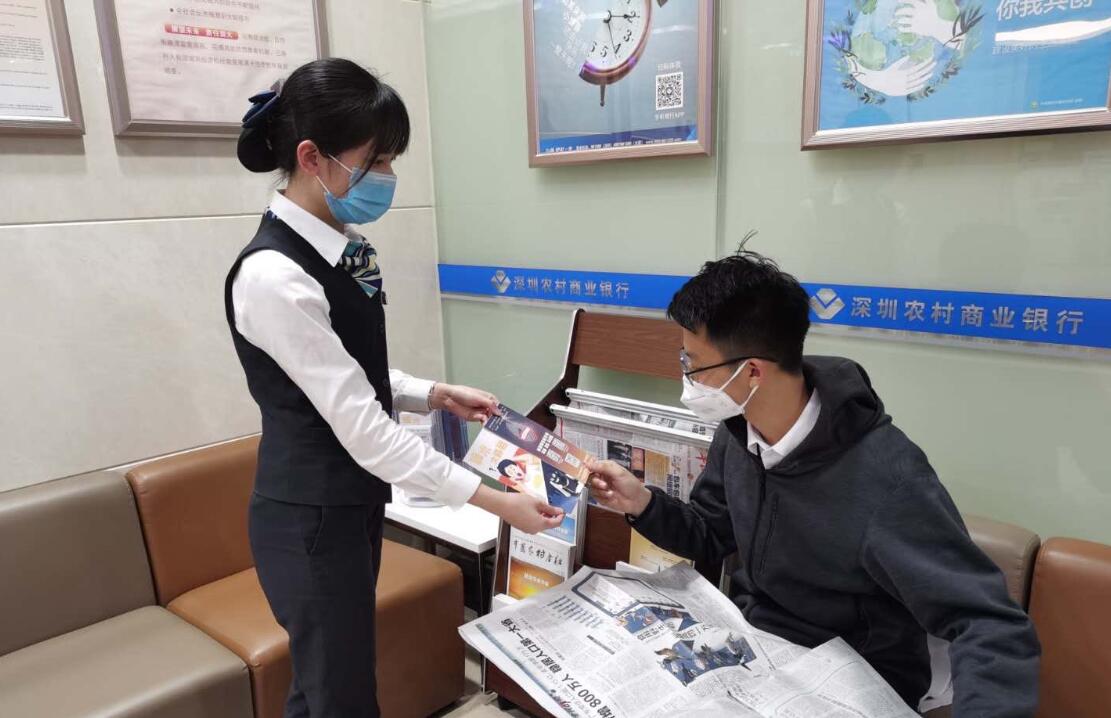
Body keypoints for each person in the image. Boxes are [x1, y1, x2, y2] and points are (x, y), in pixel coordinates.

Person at [227, 58, 563, 718]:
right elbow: (364, 428)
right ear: (312, 158)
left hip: (346, 507)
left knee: (327, 687)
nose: (386, 177)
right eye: (375, 160)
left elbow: (349, 370)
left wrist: (431, 392)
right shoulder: (273, 276)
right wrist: (498, 501)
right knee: (340, 695)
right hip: (309, 519)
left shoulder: (339, 247)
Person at [587, 248, 1040, 716]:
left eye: (694, 364)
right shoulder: (738, 432)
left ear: (752, 372)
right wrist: (643, 504)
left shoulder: (888, 478)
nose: (687, 377)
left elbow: (988, 624)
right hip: (758, 653)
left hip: (852, 681)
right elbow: (710, 532)